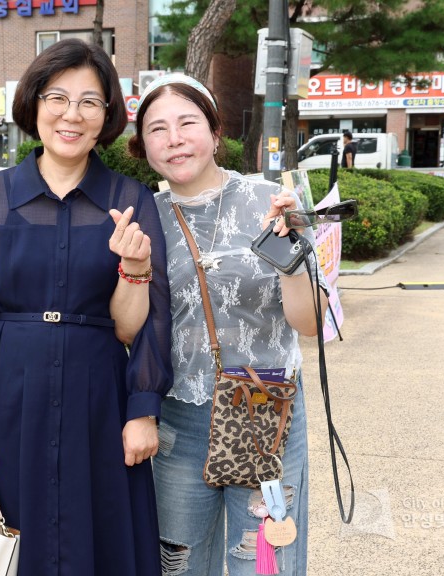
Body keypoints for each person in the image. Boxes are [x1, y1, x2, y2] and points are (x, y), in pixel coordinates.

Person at [0, 38, 173, 576]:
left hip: (101, 397)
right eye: (58, 97)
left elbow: (149, 320)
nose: (72, 114)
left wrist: (143, 408)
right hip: (8, 393)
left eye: (90, 102)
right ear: (34, 104)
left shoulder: (131, 199)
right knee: (6, 537)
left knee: (102, 536)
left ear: (107, 115)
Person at [128, 73, 329, 576]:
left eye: (187, 122)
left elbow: (308, 323)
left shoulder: (272, 201)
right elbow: (127, 331)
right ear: (143, 146)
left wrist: (290, 248)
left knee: (262, 563)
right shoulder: (143, 220)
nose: (173, 138)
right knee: (180, 564)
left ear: (216, 132)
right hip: (179, 424)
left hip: (267, 417)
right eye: (157, 129)